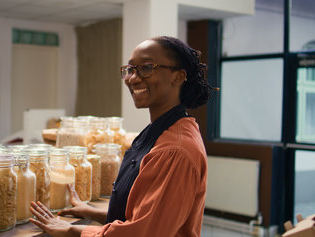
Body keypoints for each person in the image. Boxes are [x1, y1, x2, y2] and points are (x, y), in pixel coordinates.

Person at [30, 36, 216, 237]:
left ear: (178, 76)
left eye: (146, 68)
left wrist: (72, 229)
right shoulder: (163, 129)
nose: (133, 78)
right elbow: (143, 214)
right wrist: (93, 212)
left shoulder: (175, 150)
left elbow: (146, 232)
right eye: (130, 69)